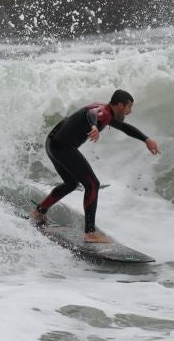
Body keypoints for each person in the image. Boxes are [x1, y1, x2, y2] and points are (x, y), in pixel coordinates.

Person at [30, 90, 160, 243]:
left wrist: (146, 139)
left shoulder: (105, 111)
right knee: (92, 185)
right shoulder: (102, 111)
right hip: (63, 147)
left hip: (52, 144)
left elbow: (124, 127)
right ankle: (90, 233)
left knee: (71, 183)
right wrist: (94, 126)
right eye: (129, 107)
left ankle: (39, 212)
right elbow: (92, 114)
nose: (129, 111)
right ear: (120, 105)